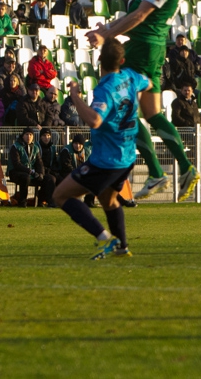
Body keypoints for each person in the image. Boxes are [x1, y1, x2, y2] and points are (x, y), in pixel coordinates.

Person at [87, 0, 200, 202]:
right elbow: (136, 16)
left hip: (143, 48)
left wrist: (106, 35)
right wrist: (110, 27)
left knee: (123, 108)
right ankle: (180, 168)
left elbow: (139, 16)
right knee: (151, 113)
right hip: (150, 47)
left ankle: (158, 170)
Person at [52, 38, 151, 259]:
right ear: (122, 61)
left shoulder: (105, 89)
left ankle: (104, 238)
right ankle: (122, 247)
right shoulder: (130, 76)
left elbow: (95, 121)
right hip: (127, 155)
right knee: (108, 200)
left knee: (60, 195)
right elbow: (149, 84)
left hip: (106, 160)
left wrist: (75, 97)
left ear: (99, 60)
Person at [7, 127, 55, 207]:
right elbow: (17, 164)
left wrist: (40, 174)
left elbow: (39, 163)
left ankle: (45, 201)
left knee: (50, 178)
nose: (28, 136)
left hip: (31, 173)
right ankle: (22, 202)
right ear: (23, 136)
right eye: (26, 134)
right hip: (16, 172)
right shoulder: (15, 147)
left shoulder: (35, 148)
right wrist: (30, 171)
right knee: (26, 178)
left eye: (30, 135)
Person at [170, 80, 201, 149]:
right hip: (184, 128)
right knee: (198, 137)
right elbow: (176, 117)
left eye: (189, 90)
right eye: (185, 90)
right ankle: (194, 153)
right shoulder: (177, 102)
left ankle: (193, 152)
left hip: (196, 127)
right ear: (181, 91)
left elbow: (197, 116)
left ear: (192, 91)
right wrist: (187, 123)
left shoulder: (194, 103)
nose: (187, 92)